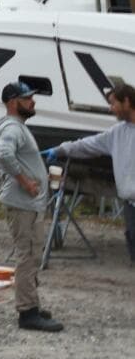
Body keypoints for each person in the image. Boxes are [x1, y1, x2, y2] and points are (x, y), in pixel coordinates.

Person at [0, 80, 62, 332]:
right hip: (22, 205)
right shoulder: (12, 127)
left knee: (32, 255)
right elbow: (3, 153)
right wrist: (25, 181)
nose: (33, 101)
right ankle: (27, 313)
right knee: (27, 256)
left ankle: (31, 304)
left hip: (27, 205)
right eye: (27, 98)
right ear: (13, 103)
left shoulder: (17, 127)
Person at [45, 83, 135, 264]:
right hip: (130, 204)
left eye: (113, 103)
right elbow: (87, 145)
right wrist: (60, 150)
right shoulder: (117, 133)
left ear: (126, 101)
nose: (111, 109)